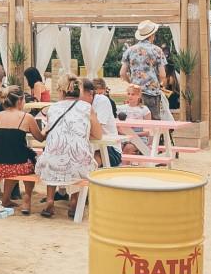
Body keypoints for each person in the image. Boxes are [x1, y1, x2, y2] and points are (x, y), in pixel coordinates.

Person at [37, 76, 103, 218]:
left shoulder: (52, 108)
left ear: (61, 91)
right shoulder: (87, 108)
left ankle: (49, 201)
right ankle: (74, 201)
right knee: (78, 156)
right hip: (77, 164)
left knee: (54, 153)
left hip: (50, 163)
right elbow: (98, 135)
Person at [119, 21, 171, 121]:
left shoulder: (130, 50)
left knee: (135, 121)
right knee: (153, 123)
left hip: (135, 93)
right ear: (152, 35)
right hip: (151, 93)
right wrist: (160, 84)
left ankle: (139, 137)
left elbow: (122, 73)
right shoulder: (157, 50)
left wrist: (132, 83)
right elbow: (163, 75)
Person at [84, 78, 121, 167]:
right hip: (89, 147)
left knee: (90, 163)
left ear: (90, 93)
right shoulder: (79, 104)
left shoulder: (101, 100)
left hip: (109, 148)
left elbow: (96, 131)